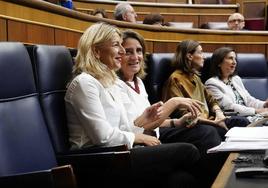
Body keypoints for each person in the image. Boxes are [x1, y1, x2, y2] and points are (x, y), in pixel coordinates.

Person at [65, 22, 200, 188]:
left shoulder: (111, 82)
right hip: (98, 161)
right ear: (96, 51)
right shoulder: (84, 83)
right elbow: (102, 137)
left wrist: (143, 121)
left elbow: (122, 128)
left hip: (119, 153)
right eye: (117, 45)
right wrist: (139, 136)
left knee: (181, 179)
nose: (122, 51)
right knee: (188, 151)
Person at [118, 29, 227, 188]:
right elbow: (136, 126)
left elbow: (151, 122)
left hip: (153, 132)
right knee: (206, 132)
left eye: (139, 51)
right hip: (139, 140)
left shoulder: (139, 83)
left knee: (209, 136)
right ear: (117, 54)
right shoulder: (114, 86)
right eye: (128, 52)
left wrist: (176, 122)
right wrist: (174, 103)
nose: (136, 57)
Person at [162, 40, 250, 140]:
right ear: (189, 56)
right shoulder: (175, 79)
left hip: (209, 119)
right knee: (218, 131)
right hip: (193, 124)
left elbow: (211, 99)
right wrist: (214, 123)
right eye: (200, 52)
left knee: (242, 122)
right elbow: (185, 116)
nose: (204, 57)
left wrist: (218, 113)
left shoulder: (195, 77)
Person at [205, 46, 268, 123]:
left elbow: (248, 100)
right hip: (234, 118)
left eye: (235, 59)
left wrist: (264, 104)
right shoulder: (211, 83)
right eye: (230, 58)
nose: (234, 62)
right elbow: (229, 106)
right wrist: (258, 111)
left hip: (250, 115)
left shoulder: (236, 79)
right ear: (219, 63)